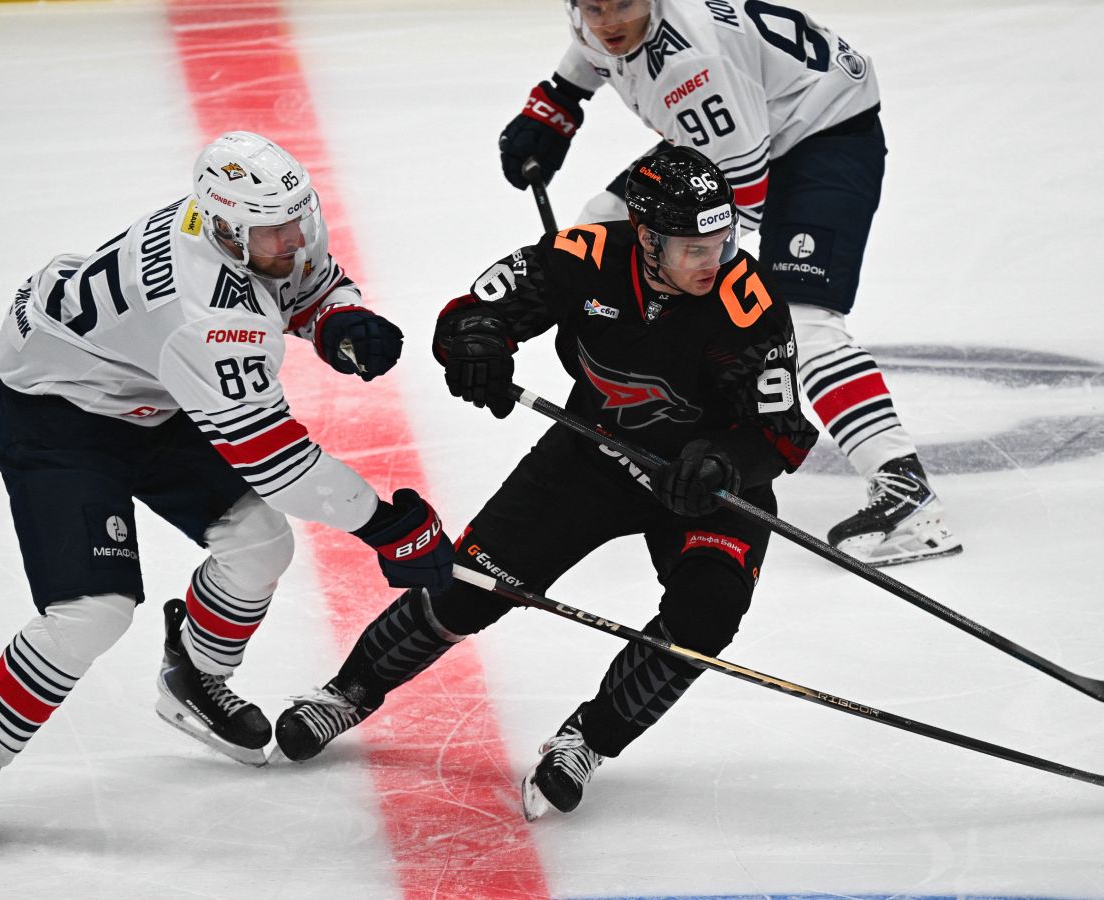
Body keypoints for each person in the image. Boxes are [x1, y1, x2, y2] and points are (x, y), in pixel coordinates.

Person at [0, 131, 454, 850]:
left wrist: (338, 317)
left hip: (146, 387)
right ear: (226, 231)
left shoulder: (246, 227)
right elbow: (276, 462)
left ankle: (195, 677)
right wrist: (385, 527)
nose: (296, 239)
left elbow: (304, 280)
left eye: (299, 219)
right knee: (92, 613)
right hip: (58, 410)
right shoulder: (206, 317)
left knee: (259, 545)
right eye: (275, 231)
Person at [270, 146, 818, 819]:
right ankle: (346, 693)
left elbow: (781, 433)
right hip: (595, 456)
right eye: (693, 248)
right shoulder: (585, 257)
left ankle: (587, 741)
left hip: (700, 486)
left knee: (708, 612)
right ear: (647, 238)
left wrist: (724, 464)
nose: (714, 259)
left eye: (723, 241)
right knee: (472, 586)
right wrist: (476, 344)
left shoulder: (747, 304)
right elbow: (474, 311)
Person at [496, 0, 961, 566]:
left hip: (819, 135)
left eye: (622, 4)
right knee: (601, 220)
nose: (609, 21)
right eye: (593, 7)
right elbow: (595, 49)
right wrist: (560, 99)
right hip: (752, 121)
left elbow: (737, 202)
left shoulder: (693, 66)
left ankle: (908, 496)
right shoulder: (618, 27)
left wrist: (678, 303)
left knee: (802, 322)